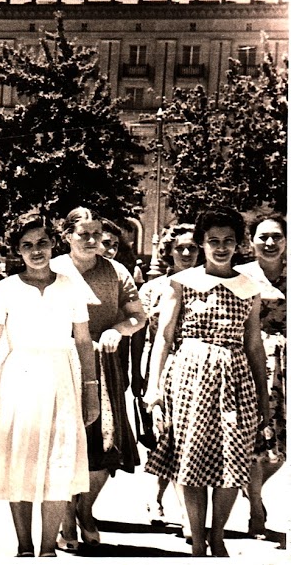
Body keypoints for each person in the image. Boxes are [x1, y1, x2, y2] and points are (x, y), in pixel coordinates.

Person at [144, 207, 268, 557]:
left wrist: (262, 396)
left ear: (238, 244)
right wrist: (153, 389)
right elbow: (164, 338)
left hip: (235, 378)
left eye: (229, 240)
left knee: (232, 459)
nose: (221, 247)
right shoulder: (182, 283)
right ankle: (198, 541)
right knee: (191, 459)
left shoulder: (249, 286)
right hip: (189, 377)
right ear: (202, 243)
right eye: (213, 240)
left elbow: (254, 344)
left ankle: (217, 535)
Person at [0, 212, 97, 557]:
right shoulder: (5, 289)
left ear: (53, 244)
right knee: (21, 459)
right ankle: (24, 546)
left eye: (42, 243)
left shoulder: (70, 286)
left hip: (61, 379)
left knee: (58, 461)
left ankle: (48, 548)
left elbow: (84, 341)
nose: (36, 251)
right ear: (17, 250)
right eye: (27, 245)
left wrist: (91, 391)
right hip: (19, 381)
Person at [50, 207, 146, 551]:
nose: (92, 241)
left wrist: (118, 330)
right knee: (62, 443)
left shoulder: (117, 271)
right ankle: (64, 520)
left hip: (105, 368)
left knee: (105, 445)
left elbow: (139, 316)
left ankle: (85, 509)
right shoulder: (53, 268)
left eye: (97, 235)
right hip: (60, 364)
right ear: (67, 236)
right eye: (83, 234)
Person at [133, 223, 199, 535]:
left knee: (184, 441)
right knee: (162, 438)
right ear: (169, 252)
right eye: (180, 248)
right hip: (160, 365)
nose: (186, 253)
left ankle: (179, 509)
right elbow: (143, 337)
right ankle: (161, 501)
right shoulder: (152, 289)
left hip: (194, 369)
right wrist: (143, 378)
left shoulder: (206, 284)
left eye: (192, 248)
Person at [236, 213, 286, 540]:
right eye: (262, 237)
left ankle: (250, 487)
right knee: (257, 441)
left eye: (277, 237)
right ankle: (256, 507)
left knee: (281, 449)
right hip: (252, 362)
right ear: (251, 241)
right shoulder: (241, 276)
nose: (269, 243)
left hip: (286, 366)